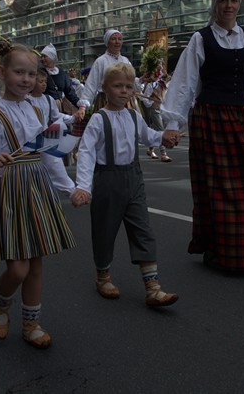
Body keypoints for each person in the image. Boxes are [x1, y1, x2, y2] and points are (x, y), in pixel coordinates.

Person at [162, 0, 244, 271]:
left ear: (240, 5)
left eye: (234, 1)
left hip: (242, 116)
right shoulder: (201, 38)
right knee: (221, 190)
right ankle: (226, 254)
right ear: (214, 6)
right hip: (211, 117)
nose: (229, 6)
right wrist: (174, 122)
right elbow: (185, 82)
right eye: (223, 1)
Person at [0, 40, 76, 349]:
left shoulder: (35, 108)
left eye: (32, 74)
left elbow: (48, 154)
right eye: (19, 72)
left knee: (36, 263)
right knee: (18, 267)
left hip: (38, 187)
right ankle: (1, 301)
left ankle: (31, 323)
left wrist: (70, 189)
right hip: (8, 190)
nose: (27, 80)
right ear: (2, 72)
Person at [71, 63, 178, 306]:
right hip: (107, 180)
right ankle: (103, 275)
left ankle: (152, 286)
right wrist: (83, 187)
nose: (124, 91)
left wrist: (163, 137)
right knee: (104, 230)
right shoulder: (98, 119)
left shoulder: (133, 115)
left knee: (143, 229)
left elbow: (147, 135)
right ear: (104, 89)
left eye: (128, 87)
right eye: (117, 86)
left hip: (133, 178)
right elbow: (86, 153)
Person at [25, 68, 76, 195]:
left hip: (45, 137)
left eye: (45, 81)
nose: (44, 84)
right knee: (34, 169)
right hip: (30, 139)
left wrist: (72, 118)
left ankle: (69, 189)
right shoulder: (26, 101)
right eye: (40, 81)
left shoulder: (48, 99)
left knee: (54, 162)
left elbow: (56, 116)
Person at [76, 29, 132, 121]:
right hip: (106, 100)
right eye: (113, 39)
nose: (117, 42)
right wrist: (83, 106)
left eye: (119, 39)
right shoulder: (101, 61)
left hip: (123, 101)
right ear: (107, 42)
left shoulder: (125, 60)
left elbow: (131, 81)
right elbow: (91, 84)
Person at [40, 43, 81, 113]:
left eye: (45, 56)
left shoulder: (61, 74)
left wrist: (80, 105)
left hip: (58, 107)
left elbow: (69, 92)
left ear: (52, 57)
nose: (42, 59)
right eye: (41, 56)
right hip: (44, 106)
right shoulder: (40, 73)